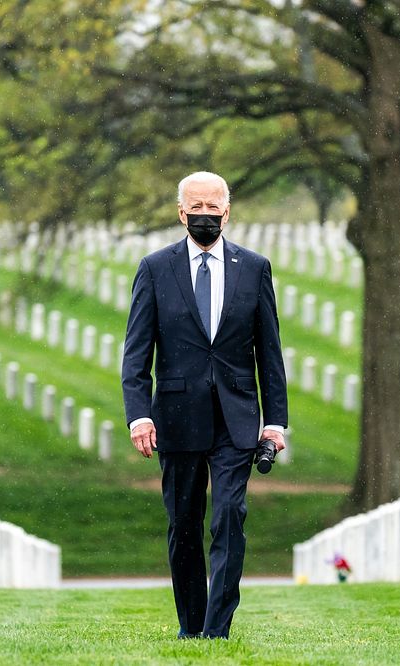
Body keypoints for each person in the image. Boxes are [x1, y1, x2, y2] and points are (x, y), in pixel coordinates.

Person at [121, 171, 288, 640]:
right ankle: (191, 627)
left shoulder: (254, 268)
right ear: (180, 212)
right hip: (176, 417)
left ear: (228, 212)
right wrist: (139, 414)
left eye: (214, 208)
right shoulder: (156, 268)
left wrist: (275, 424)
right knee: (185, 526)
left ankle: (217, 630)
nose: (205, 215)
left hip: (236, 420)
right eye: (197, 207)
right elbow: (137, 352)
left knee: (229, 517)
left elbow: (269, 352)